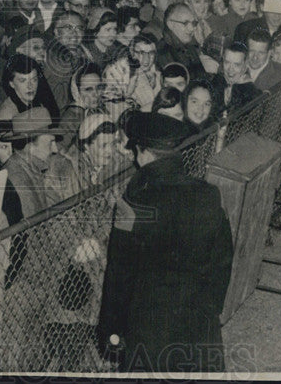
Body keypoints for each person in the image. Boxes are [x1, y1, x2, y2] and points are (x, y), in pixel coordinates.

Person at [96, 112, 232, 373]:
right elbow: (223, 259)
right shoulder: (209, 195)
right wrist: (212, 308)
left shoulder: (134, 203)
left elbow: (119, 274)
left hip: (150, 328)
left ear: (144, 152)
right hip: (199, 321)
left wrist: (111, 331)